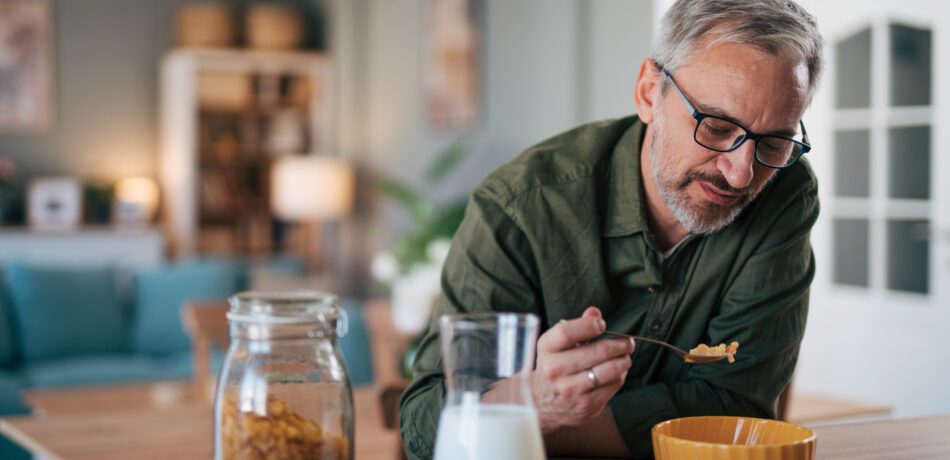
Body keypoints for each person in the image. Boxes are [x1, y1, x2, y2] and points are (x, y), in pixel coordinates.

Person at [400, 0, 824, 457]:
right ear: (648, 93)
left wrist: (536, 424)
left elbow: (740, 411)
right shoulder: (518, 207)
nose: (741, 174)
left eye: (776, 142)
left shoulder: (785, 190)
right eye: (717, 128)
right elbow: (425, 424)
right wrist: (538, 402)